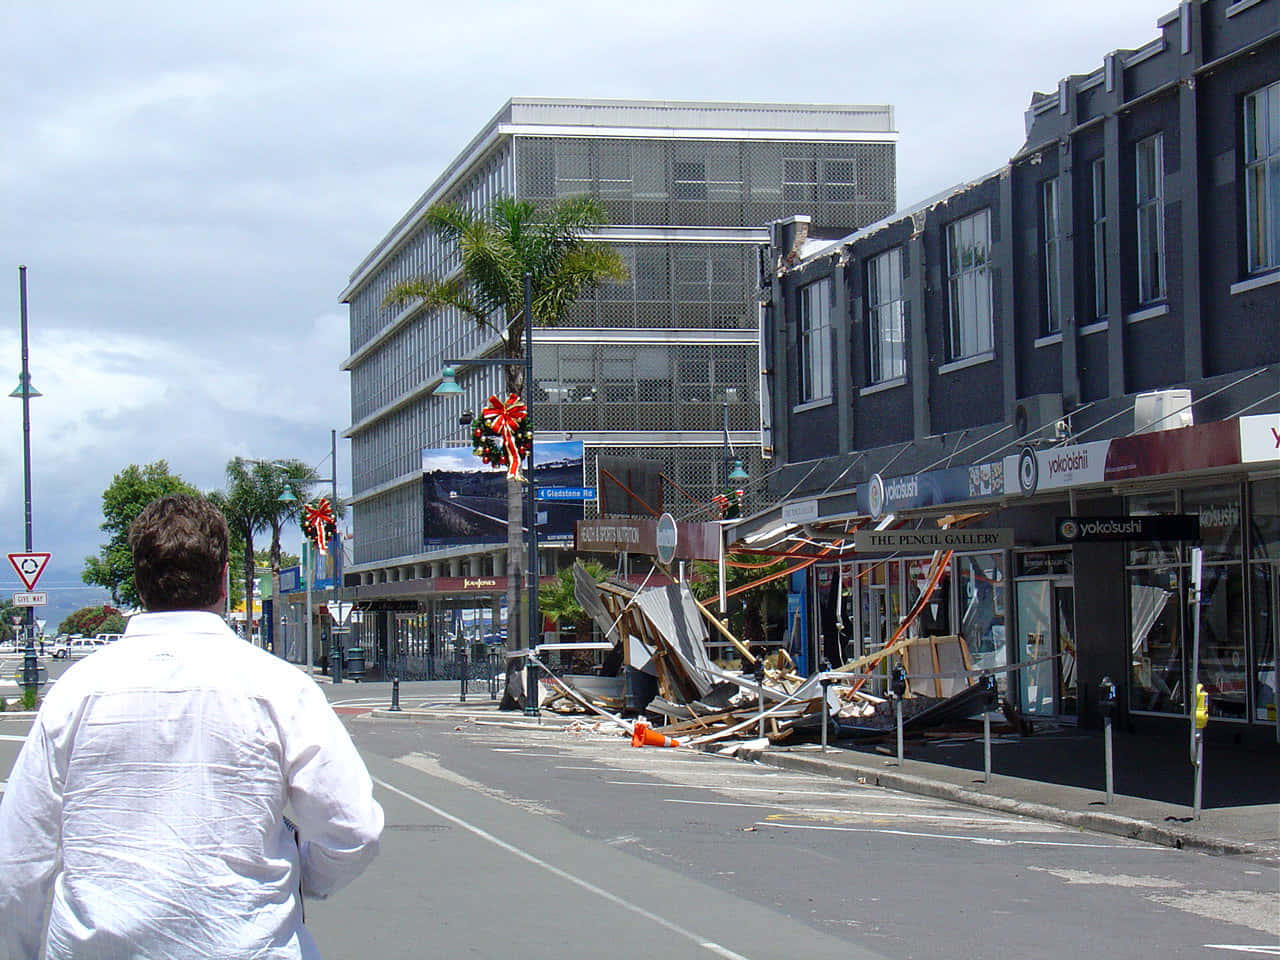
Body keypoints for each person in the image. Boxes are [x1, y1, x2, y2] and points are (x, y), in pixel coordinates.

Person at [0, 494, 383, 959]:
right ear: (223, 579)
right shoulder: (280, 687)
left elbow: (19, 856)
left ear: (140, 584)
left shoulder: (76, 691)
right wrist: (302, 880)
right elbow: (352, 828)